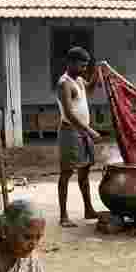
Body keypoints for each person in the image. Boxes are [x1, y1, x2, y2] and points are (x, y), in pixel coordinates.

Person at [57, 46, 103, 227]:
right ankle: (63, 216)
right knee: (66, 173)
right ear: (70, 63)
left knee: (85, 171)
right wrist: (89, 130)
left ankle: (88, 209)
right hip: (70, 132)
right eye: (81, 66)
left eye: (86, 66)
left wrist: (98, 71)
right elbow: (68, 113)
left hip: (82, 131)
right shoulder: (64, 83)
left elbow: (90, 90)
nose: (84, 69)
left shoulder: (79, 80)